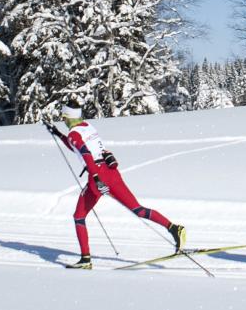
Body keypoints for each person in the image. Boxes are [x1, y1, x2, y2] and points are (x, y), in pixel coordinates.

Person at [44, 103, 186, 269]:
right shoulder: (87, 127)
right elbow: (76, 146)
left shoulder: (74, 134)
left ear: (69, 117)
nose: (63, 120)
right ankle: (174, 228)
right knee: (138, 209)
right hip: (111, 172)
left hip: (97, 174)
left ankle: (85, 259)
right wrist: (58, 134)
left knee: (79, 216)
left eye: (64, 118)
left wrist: (96, 178)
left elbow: (86, 154)